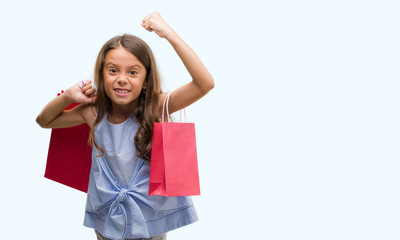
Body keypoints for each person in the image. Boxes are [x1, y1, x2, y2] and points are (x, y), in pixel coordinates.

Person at [36, 11, 214, 240]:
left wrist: (169, 35)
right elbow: (44, 121)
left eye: (132, 72)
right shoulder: (93, 112)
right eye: (113, 70)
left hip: (150, 216)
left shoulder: (156, 106)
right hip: (107, 215)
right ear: (101, 75)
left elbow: (205, 83)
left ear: (146, 79)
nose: (122, 78)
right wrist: (68, 97)